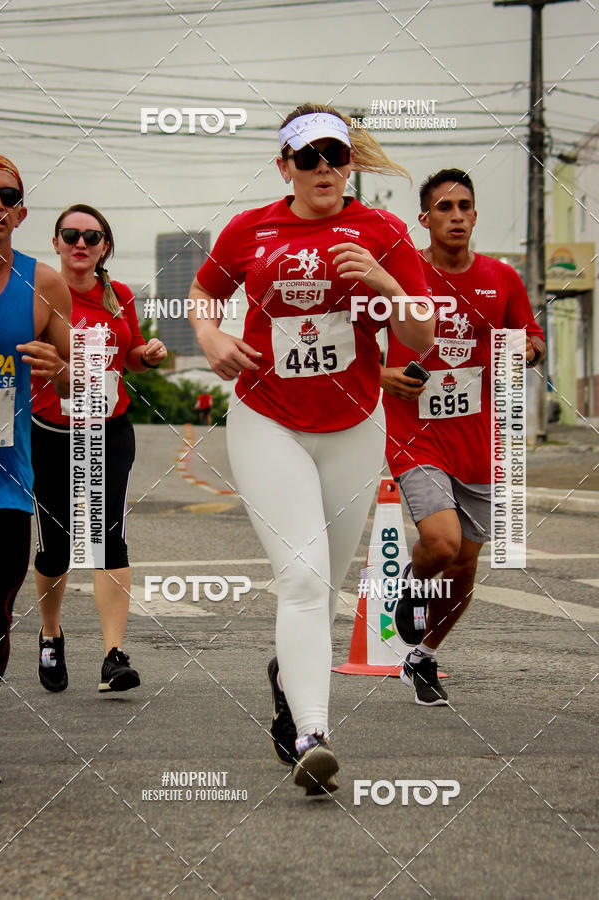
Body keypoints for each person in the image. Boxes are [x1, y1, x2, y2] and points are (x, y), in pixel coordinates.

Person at [188, 103, 433, 795]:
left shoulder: (382, 230)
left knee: (321, 587)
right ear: (284, 167)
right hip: (269, 421)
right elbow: (203, 296)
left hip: (355, 426)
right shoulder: (250, 229)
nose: (322, 166)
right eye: (307, 155)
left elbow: (419, 339)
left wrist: (386, 285)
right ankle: (313, 736)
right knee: (301, 578)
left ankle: (286, 682)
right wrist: (209, 339)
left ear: (349, 161)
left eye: (334, 153)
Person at [382, 168, 545, 706]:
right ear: (424, 219)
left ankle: (422, 656)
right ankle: (408, 583)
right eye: (444, 208)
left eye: (465, 207)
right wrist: (383, 377)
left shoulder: (502, 279)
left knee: (465, 565)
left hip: (479, 439)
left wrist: (527, 349)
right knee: (443, 542)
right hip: (416, 433)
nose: (456, 216)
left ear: (475, 215)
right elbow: (355, 340)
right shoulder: (401, 276)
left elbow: (531, 334)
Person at [31, 204, 167, 694]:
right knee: (57, 546)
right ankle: (50, 635)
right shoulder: (42, 294)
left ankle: (114, 654)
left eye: (92, 236)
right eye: (71, 234)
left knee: (109, 535)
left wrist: (145, 355)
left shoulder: (119, 296)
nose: (80, 243)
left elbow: (125, 355)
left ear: (105, 246)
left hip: (110, 429)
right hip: (52, 431)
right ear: (57, 243)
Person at [0, 155, 71, 779]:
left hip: (7, 474)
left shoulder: (42, 284)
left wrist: (58, 368)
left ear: (21, 211)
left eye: (7, 195)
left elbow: (82, 369)